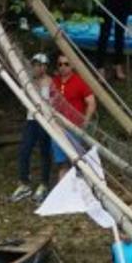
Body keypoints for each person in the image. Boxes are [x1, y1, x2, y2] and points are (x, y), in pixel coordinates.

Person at [10, 54, 54, 204]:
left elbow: (56, 101)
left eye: (38, 65)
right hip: (31, 120)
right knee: (24, 150)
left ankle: (44, 184)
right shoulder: (28, 82)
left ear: (44, 67)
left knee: (44, 152)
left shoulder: (50, 82)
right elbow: (23, 100)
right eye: (34, 65)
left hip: (46, 121)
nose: (35, 68)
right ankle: (24, 183)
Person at [50, 54, 97, 182]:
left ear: (72, 66)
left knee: (76, 161)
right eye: (60, 64)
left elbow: (91, 102)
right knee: (61, 162)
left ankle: (81, 188)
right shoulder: (54, 81)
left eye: (66, 64)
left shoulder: (79, 81)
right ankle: (65, 190)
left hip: (74, 127)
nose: (63, 67)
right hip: (57, 127)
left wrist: (85, 121)